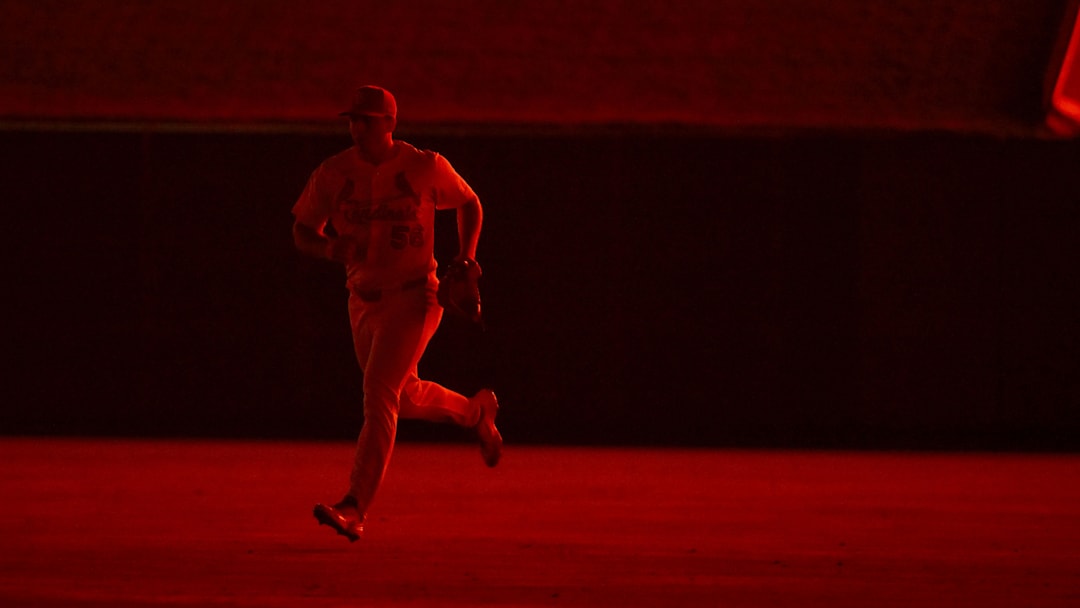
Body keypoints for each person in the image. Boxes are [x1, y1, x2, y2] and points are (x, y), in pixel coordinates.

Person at [291, 85, 502, 542]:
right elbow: (302, 230)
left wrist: (466, 258)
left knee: (378, 394)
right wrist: (330, 249)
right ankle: (475, 413)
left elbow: (469, 202)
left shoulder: (423, 165)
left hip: (415, 296)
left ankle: (354, 506)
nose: (357, 127)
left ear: (390, 124)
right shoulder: (334, 172)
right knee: (401, 397)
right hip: (362, 300)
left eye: (367, 120)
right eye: (353, 119)